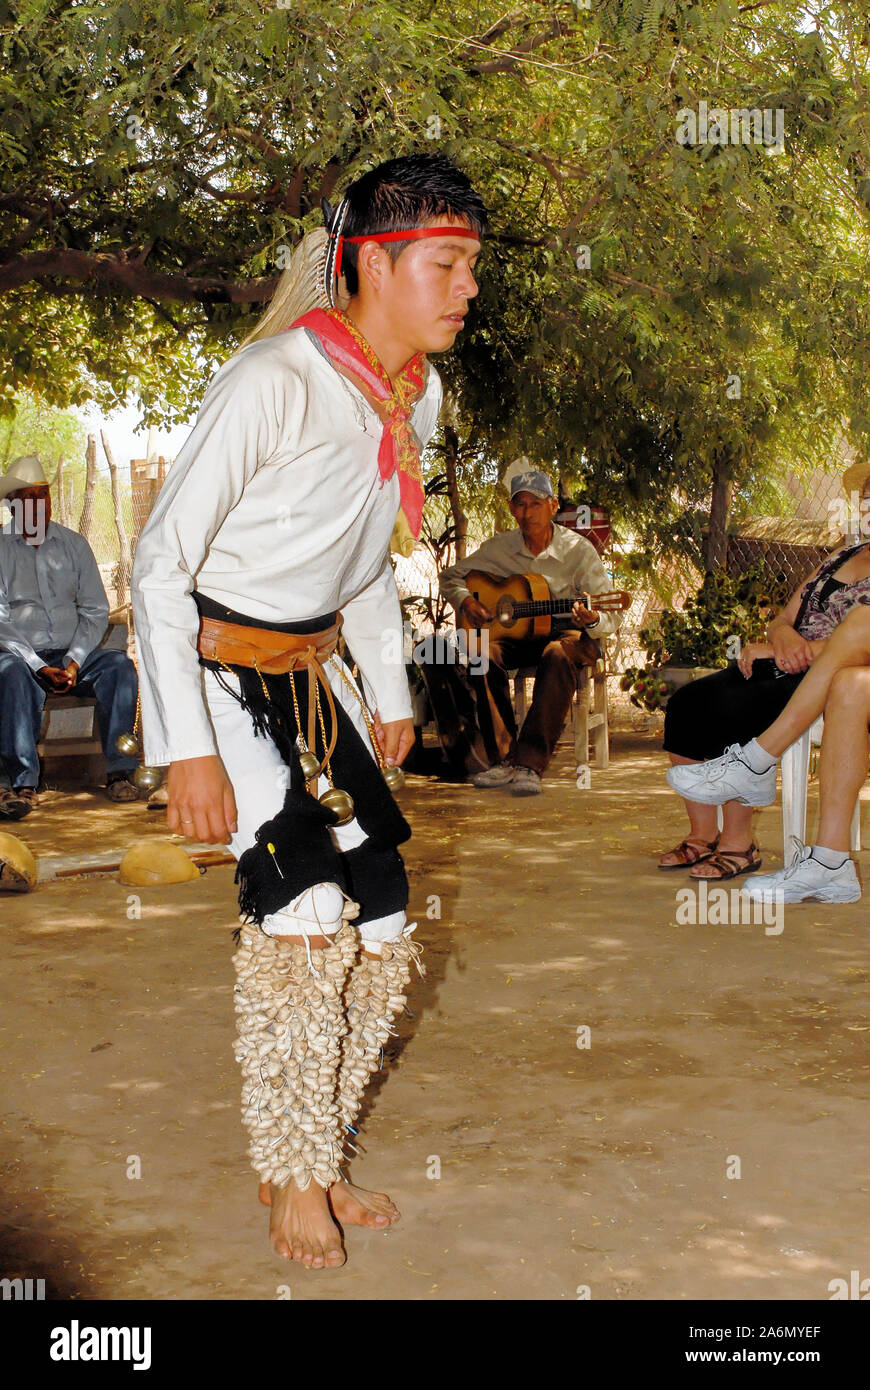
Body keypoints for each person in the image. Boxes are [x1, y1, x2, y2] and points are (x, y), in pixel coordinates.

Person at [132, 153, 487, 1267]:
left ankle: (318, 1150)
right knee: (301, 920)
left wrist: (388, 688)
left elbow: (368, 554)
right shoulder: (273, 380)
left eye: (471, 264)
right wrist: (186, 748)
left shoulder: (411, 391)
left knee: (382, 924)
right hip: (222, 682)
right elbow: (156, 564)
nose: (467, 286)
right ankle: (291, 1180)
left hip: (319, 683)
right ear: (374, 265)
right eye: (446, 263)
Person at [661, 536, 870, 894]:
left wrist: (798, 653)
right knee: (689, 702)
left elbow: (860, 637)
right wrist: (782, 639)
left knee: (741, 706)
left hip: (828, 670)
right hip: (795, 662)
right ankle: (703, 833)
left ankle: (739, 836)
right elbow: (785, 617)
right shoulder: (844, 554)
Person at [438, 466, 621, 795]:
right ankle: (504, 758)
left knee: (557, 654)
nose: (527, 512)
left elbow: (609, 612)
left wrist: (591, 619)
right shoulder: (500, 548)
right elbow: (451, 577)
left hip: (570, 636)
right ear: (511, 509)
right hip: (519, 637)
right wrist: (466, 602)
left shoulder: (578, 551)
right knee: (481, 651)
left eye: (536, 504)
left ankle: (529, 764)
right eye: (520, 504)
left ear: (553, 506)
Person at [0, 455, 140, 819]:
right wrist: (38, 665)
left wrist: (74, 660)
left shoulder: (74, 546)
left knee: (119, 668)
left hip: (72, 654)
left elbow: (94, 609)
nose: (36, 504)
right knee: (10, 674)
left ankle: (120, 772)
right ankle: (22, 784)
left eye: (42, 495)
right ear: (12, 504)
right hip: (20, 654)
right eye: (26, 497)